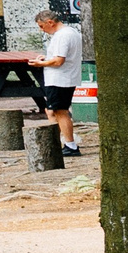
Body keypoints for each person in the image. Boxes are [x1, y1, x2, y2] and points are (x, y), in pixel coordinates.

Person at [28, 10, 83, 157]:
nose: (42, 30)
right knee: (51, 111)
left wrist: (41, 63)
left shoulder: (62, 35)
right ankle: (57, 141)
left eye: (41, 26)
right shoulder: (71, 32)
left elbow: (59, 61)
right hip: (64, 78)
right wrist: (46, 58)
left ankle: (70, 145)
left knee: (60, 111)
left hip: (60, 79)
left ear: (50, 22)